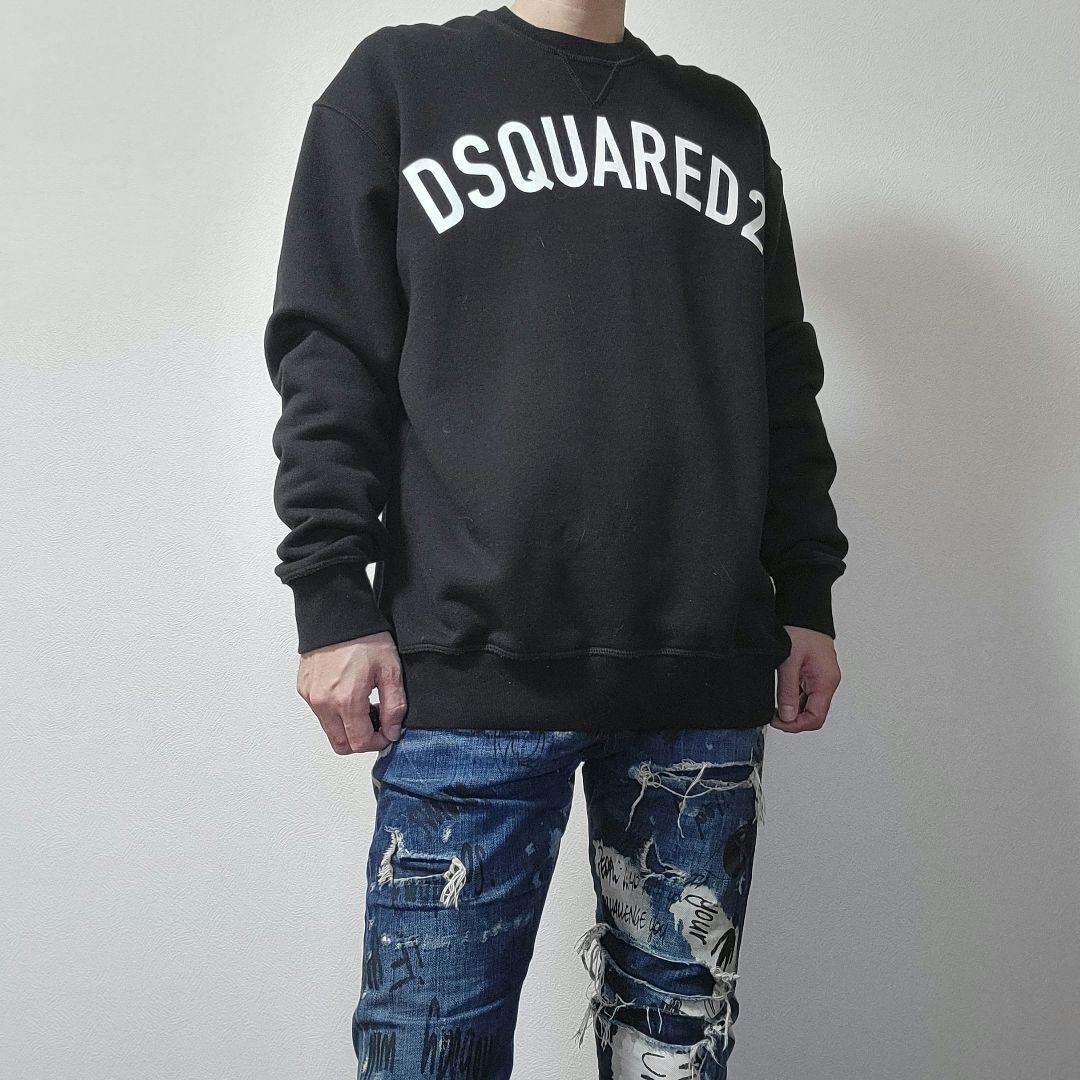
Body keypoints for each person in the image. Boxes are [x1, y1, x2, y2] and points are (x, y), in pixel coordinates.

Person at [263, 2, 848, 1076]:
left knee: (678, 1053)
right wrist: (332, 597)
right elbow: (329, 351)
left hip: (701, 670)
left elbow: (779, 372)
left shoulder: (722, 122)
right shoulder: (398, 86)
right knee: (427, 1054)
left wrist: (806, 590)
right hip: (469, 669)